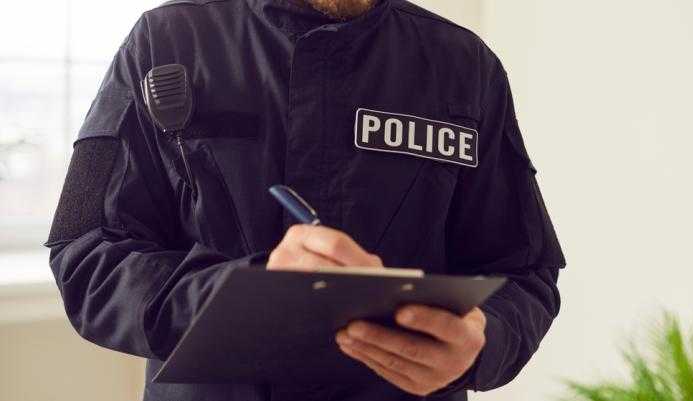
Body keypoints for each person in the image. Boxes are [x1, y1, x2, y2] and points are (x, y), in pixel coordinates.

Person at [44, 0, 567, 400]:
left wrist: (483, 340)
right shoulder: (164, 43)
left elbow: (526, 270)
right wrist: (248, 294)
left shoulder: (466, 67)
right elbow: (85, 253)